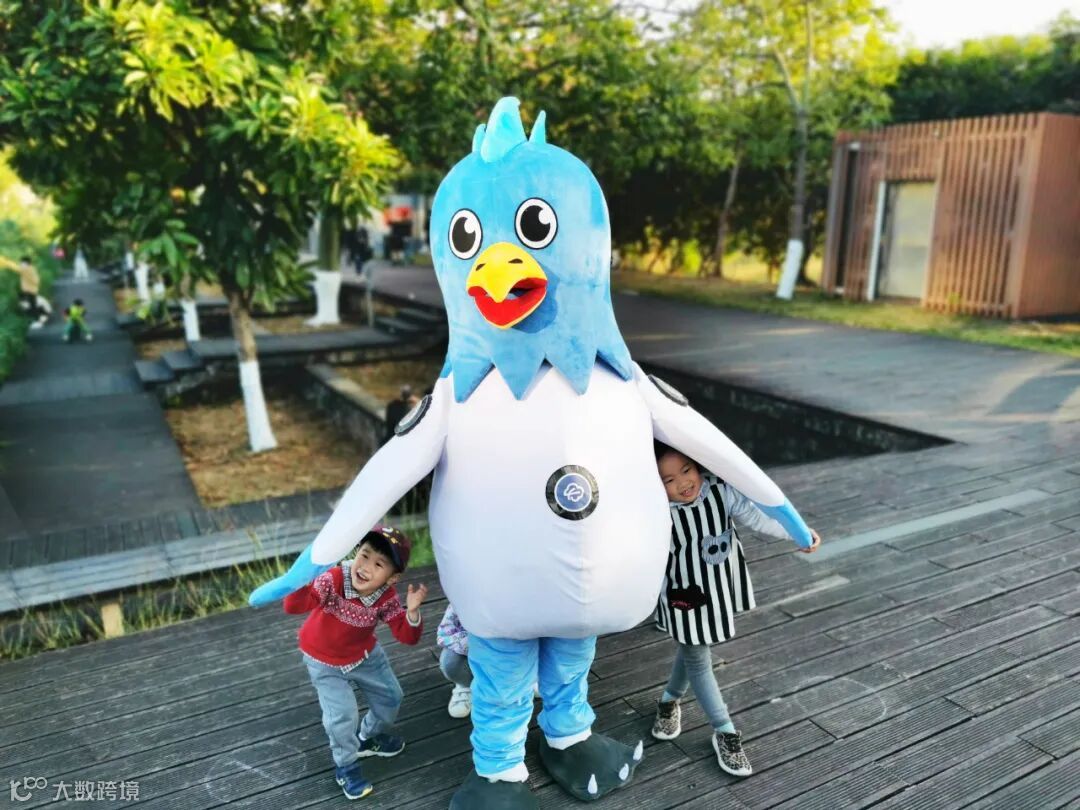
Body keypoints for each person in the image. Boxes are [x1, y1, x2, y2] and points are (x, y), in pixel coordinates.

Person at [651, 443, 820, 778]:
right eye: (669, 480)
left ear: (698, 463)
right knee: (698, 656)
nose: (683, 483)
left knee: (694, 645)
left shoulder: (720, 491)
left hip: (719, 585)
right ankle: (724, 730)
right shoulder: (657, 512)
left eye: (686, 470)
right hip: (684, 595)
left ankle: (669, 699)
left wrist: (796, 533)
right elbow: (643, 556)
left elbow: (758, 516)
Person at [284, 525, 429, 800]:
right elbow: (294, 606)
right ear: (356, 552)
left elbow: (406, 636)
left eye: (379, 564)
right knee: (342, 716)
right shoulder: (334, 578)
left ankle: (367, 738)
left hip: (363, 655)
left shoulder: (386, 597)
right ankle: (346, 766)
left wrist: (411, 612)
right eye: (364, 555)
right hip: (323, 660)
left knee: (391, 697)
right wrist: (300, 581)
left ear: (392, 578)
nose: (365, 567)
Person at [437, 604, 473, 718]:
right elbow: (445, 633)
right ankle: (465, 684)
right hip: (470, 645)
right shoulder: (463, 600)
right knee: (450, 662)